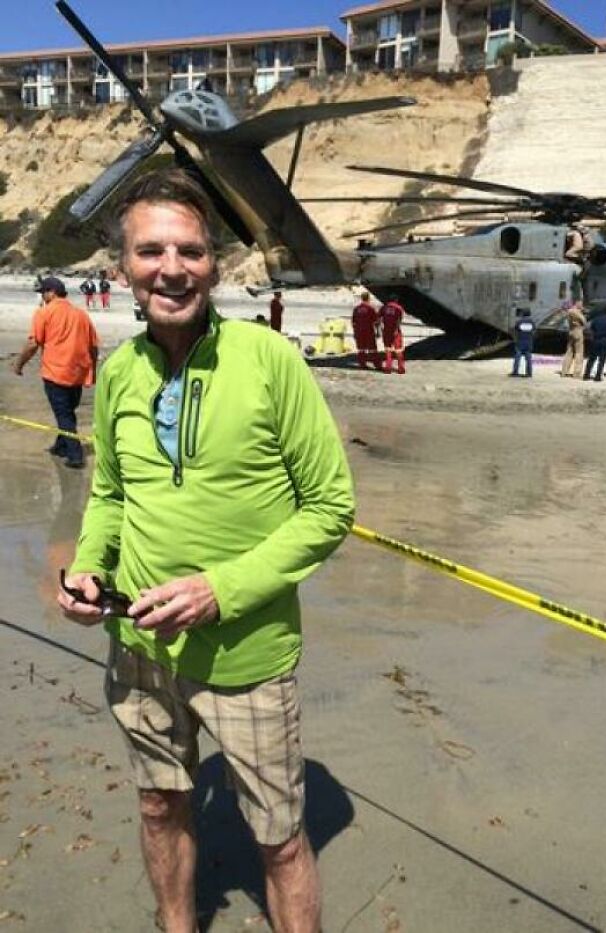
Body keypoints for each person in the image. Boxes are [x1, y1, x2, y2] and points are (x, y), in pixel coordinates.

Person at [57, 169, 354, 933]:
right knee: (160, 802)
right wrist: (91, 569)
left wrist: (221, 588)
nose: (171, 267)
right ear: (122, 265)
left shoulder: (268, 359)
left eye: (189, 250)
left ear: (215, 264)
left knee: (280, 840)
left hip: (247, 653)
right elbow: (113, 498)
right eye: (150, 249)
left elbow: (330, 506)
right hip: (138, 646)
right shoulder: (119, 371)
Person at [12, 275, 98, 468]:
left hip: (56, 373)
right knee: (67, 412)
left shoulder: (44, 313)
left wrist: (19, 365)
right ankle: (60, 445)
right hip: (78, 373)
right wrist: (93, 371)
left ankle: (75, 456)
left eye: (43, 292)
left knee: (64, 415)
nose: (42, 296)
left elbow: (33, 343)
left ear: (51, 293)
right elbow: (93, 347)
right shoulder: (81, 315)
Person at [583, 309, 606, 382]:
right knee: (602, 360)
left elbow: (590, 329)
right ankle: (598, 376)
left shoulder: (595, 320)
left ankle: (586, 375)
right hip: (605, 341)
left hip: (595, 340)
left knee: (591, 359)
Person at [351, 291, 381, 370]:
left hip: (359, 331)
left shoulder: (356, 309)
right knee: (373, 349)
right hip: (369, 331)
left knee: (361, 349)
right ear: (368, 298)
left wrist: (354, 332)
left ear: (361, 298)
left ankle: (362, 364)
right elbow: (376, 321)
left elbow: (353, 322)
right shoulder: (371, 308)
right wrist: (378, 331)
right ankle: (377, 365)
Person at [560, 299, 587, 378]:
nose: (582, 306)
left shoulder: (569, 312)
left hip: (571, 331)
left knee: (569, 352)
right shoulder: (575, 311)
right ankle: (577, 373)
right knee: (579, 353)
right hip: (578, 331)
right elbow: (584, 321)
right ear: (577, 303)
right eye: (581, 304)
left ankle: (564, 371)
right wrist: (581, 313)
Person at [379, 295, 405, 374]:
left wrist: (379, 330)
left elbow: (378, 319)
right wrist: (396, 330)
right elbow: (399, 320)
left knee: (388, 350)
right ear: (396, 300)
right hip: (395, 331)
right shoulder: (399, 308)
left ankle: (388, 368)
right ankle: (400, 368)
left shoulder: (383, 308)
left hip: (386, 331)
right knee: (398, 350)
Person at [510, 308, 535, 378]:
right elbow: (533, 331)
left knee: (517, 358)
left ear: (522, 314)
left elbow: (515, 330)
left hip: (520, 342)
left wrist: (515, 339)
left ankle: (515, 372)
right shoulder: (532, 322)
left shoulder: (519, 322)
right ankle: (529, 373)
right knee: (528, 359)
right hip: (529, 342)